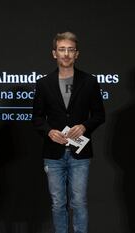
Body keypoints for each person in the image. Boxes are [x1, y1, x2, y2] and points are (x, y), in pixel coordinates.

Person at [32, 32, 105, 233]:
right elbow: (37, 118)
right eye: (62, 49)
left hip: (80, 153)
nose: (66, 54)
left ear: (77, 54)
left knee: (79, 202)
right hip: (53, 153)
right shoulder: (44, 83)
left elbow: (99, 115)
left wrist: (85, 126)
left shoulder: (89, 81)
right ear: (54, 53)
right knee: (58, 203)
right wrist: (49, 132)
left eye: (70, 50)